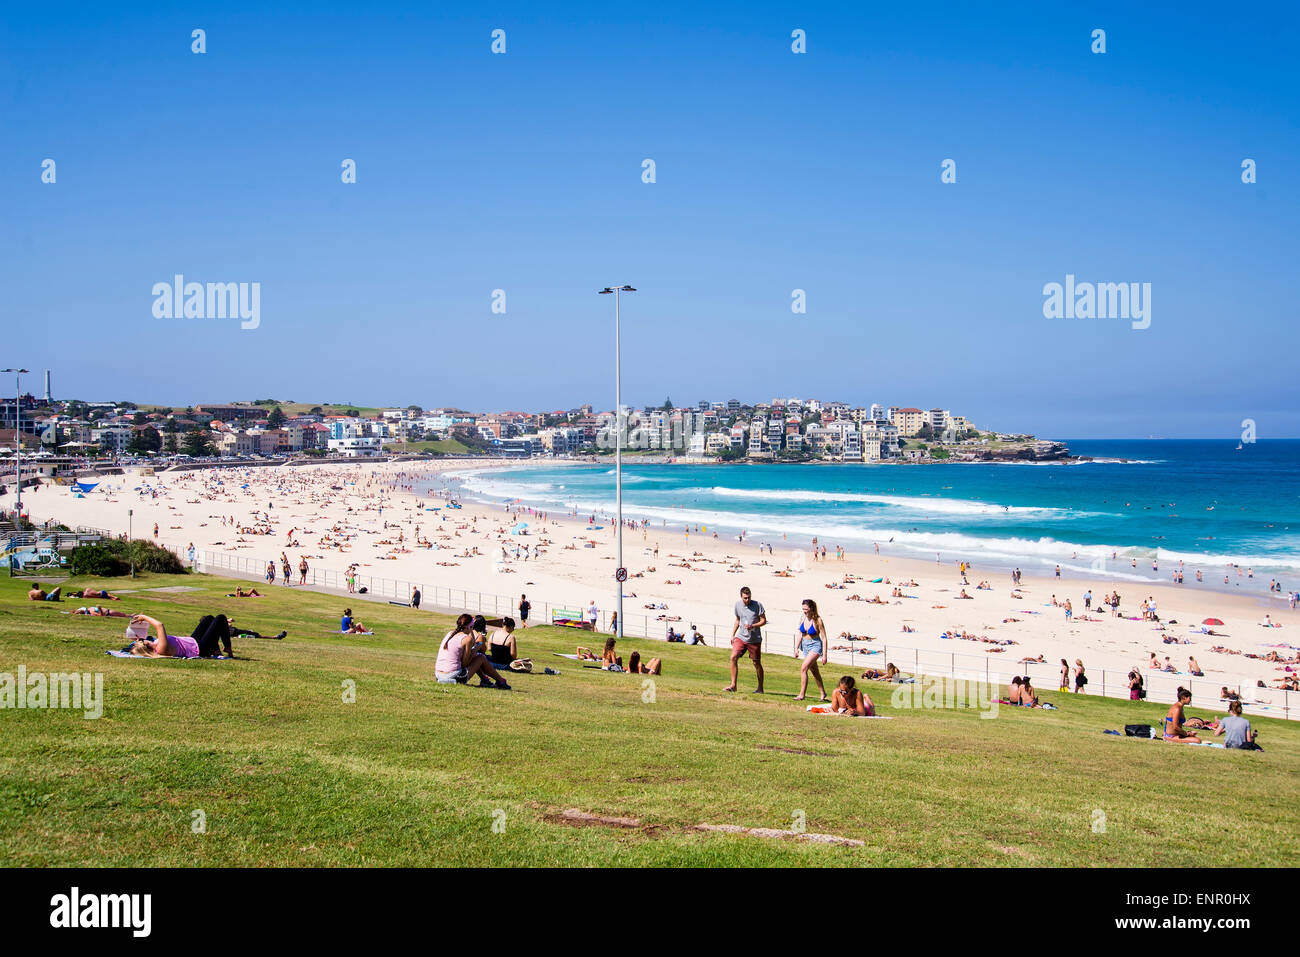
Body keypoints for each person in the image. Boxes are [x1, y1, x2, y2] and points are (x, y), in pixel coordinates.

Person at [436, 613, 510, 688]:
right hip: (453, 676)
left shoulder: (450, 634)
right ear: (469, 627)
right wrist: (476, 649)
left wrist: (474, 648)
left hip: (439, 675)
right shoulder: (467, 639)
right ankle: (500, 681)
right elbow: (465, 663)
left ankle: (485, 680)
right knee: (480, 657)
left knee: (476, 656)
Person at [725, 586, 766, 693]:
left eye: (748, 597)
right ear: (741, 597)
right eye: (745, 598)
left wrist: (753, 626)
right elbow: (738, 620)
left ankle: (760, 688)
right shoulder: (737, 605)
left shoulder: (758, 605)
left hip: (754, 639)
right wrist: (732, 635)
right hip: (741, 637)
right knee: (733, 657)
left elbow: (763, 620)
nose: (747, 600)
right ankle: (733, 685)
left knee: (756, 663)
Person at [792, 598, 829, 701]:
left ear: (811, 608)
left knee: (803, 668)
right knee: (814, 671)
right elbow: (800, 633)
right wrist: (796, 648)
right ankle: (823, 693)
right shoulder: (802, 618)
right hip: (805, 646)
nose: (804, 611)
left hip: (815, 646)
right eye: (803, 609)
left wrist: (825, 655)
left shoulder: (818, 620)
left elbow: (824, 638)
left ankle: (801, 695)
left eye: (806, 609)